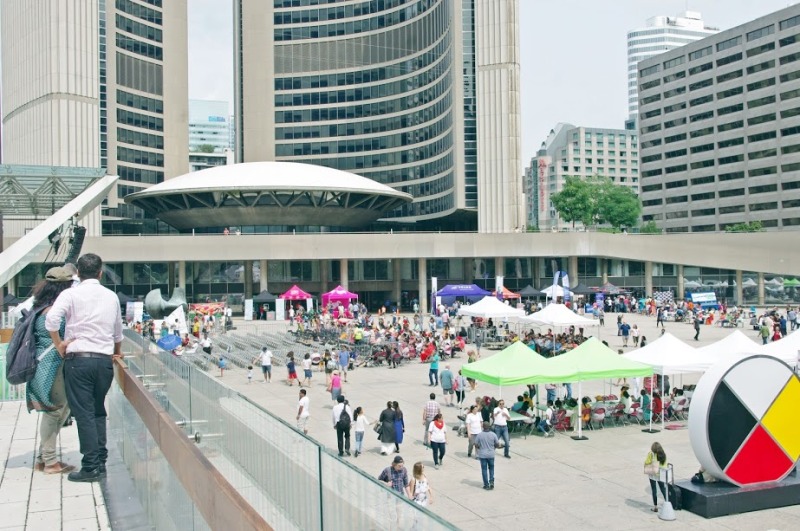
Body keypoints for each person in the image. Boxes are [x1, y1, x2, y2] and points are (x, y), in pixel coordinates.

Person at [46, 254, 122, 483]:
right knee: (98, 409)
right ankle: (100, 461)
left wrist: (59, 344)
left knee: (84, 413)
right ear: (100, 272)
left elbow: (51, 321)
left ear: (78, 273)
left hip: (78, 360)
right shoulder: (111, 296)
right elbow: (118, 331)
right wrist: (116, 351)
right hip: (103, 360)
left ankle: (90, 467)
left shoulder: (70, 294)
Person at [27, 267, 75, 475]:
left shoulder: (40, 306)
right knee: (54, 412)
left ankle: (42, 458)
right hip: (51, 366)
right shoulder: (54, 311)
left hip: (42, 364)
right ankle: (50, 462)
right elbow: (60, 336)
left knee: (55, 411)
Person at [474, 421, 499, 490]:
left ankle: (486, 484)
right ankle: (491, 482)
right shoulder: (493, 435)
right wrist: (493, 447)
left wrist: (480, 447)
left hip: (482, 455)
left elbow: (476, 444)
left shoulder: (479, 435)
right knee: (491, 468)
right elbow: (497, 444)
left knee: (484, 470)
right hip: (491, 454)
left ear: (483, 427)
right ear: (489, 427)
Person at [645, 442, 668, 512]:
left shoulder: (651, 454)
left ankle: (655, 506)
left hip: (653, 473)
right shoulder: (663, 455)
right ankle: (667, 503)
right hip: (661, 474)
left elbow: (646, 462)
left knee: (654, 489)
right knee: (663, 488)